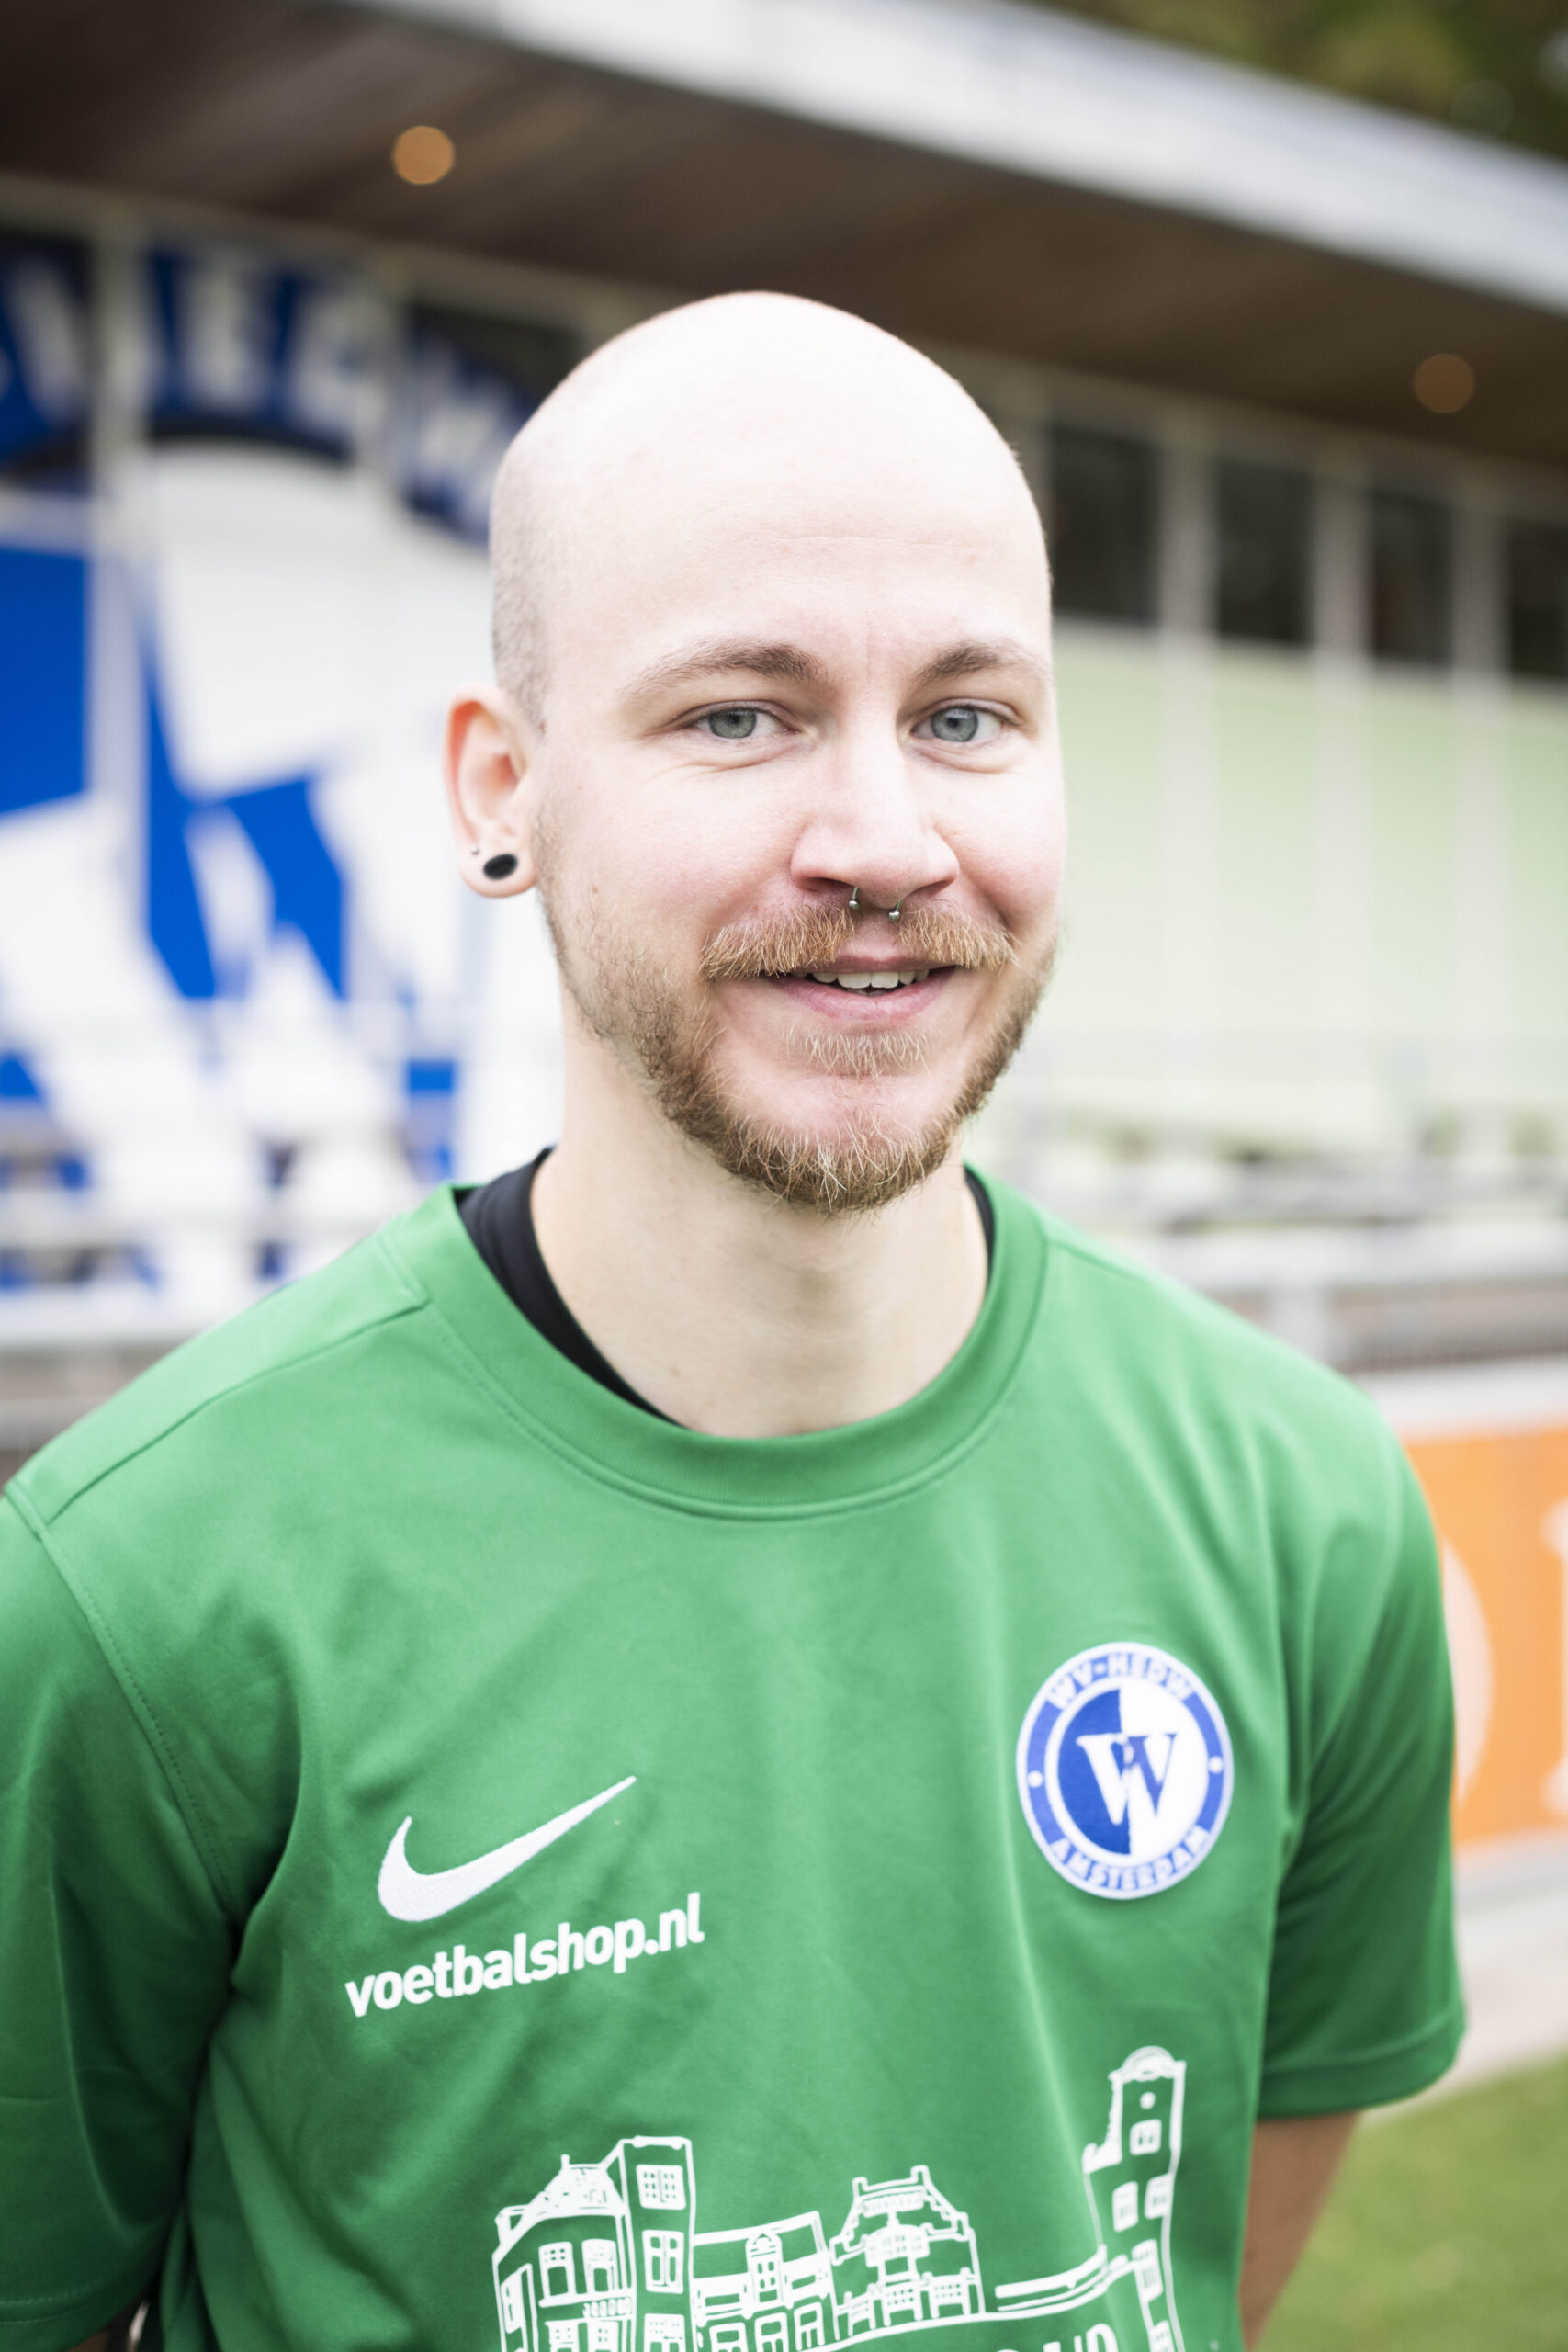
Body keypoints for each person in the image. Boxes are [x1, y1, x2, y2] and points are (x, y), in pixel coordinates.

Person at [1, 295, 1460, 2352]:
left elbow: (1200, 2232)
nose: (880, 839)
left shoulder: (1300, 1507)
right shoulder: (135, 1586)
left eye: (964, 714)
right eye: (738, 715)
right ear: (500, 789)